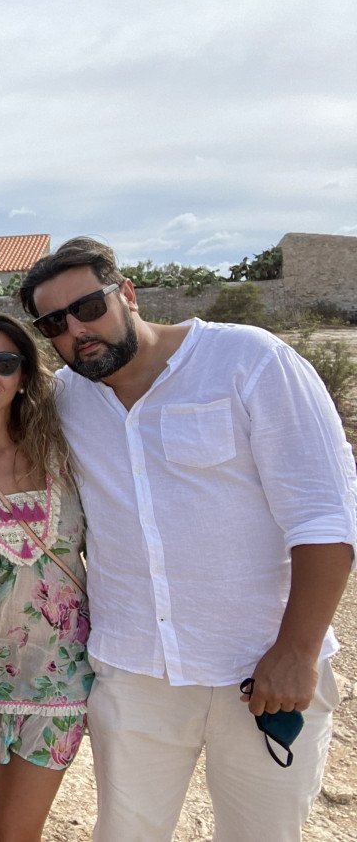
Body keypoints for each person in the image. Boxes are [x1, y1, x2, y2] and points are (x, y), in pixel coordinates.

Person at [19, 236, 357, 840]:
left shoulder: (248, 362)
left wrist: (297, 651)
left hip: (259, 670)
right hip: (134, 671)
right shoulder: (67, 398)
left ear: (127, 293)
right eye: (55, 324)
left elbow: (325, 516)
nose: (77, 331)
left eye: (89, 307)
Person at [0, 313, 92, 842]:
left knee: (12, 830)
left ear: (24, 375)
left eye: (4, 363)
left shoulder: (63, 449)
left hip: (59, 677)